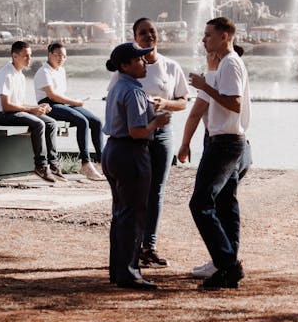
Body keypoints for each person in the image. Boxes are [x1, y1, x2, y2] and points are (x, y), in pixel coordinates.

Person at [107, 18, 188, 268]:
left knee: (155, 190)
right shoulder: (126, 77)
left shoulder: (170, 66)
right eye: (143, 33)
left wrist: (164, 105)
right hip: (137, 136)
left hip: (159, 133)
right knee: (130, 193)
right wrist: (144, 111)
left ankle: (146, 246)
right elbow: (118, 106)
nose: (148, 36)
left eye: (152, 31)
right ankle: (128, 252)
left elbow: (184, 100)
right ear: (135, 37)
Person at [186, 17, 251, 289]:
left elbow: (234, 104)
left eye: (209, 35)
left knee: (200, 203)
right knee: (225, 204)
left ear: (225, 37)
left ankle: (227, 264)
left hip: (225, 142)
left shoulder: (231, 63)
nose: (204, 39)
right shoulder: (224, 64)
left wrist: (204, 85)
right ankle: (227, 265)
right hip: (224, 140)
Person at [102, 42, 171, 290]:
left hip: (112, 150)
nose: (145, 63)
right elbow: (137, 131)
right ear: (125, 65)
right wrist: (157, 122)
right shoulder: (133, 91)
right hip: (131, 152)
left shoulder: (119, 86)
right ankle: (129, 272)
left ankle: (118, 269)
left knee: (121, 213)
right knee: (133, 213)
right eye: (139, 60)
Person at [0, 41, 66, 183]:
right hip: (2, 115)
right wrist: (32, 110)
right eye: (25, 56)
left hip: (13, 112)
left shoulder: (20, 75)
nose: (29, 59)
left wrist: (38, 107)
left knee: (50, 122)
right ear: (14, 56)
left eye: (30, 55)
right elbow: (6, 106)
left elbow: (19, 104)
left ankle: (53, 165)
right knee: (39, 124)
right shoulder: (6, 74)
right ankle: (41, 166)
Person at [34, 43, 105, 181]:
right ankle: (85, 163)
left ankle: (102, 163)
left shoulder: (61, 70)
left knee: (96, 122)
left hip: (62, 104)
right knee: (82, 121)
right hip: (48, 105)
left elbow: (61, 95)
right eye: (58, 55)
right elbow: (53, 96)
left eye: (64, 56)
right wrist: (75, 102)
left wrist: (72, 101)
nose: (61, 58)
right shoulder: (44, 72)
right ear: (50, 54)